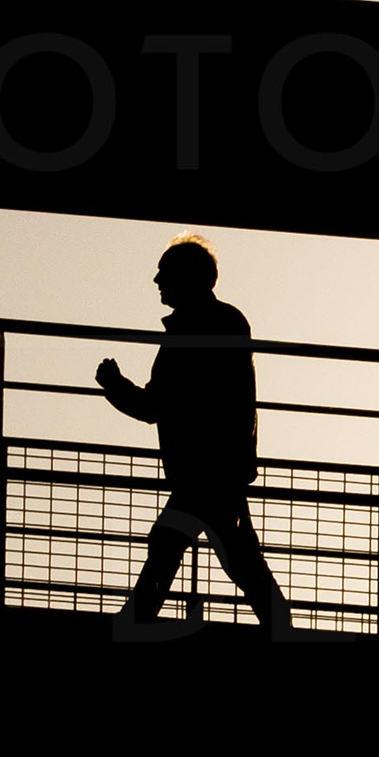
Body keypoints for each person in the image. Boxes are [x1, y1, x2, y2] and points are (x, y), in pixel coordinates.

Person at [95, 237, 298, 639]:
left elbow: (156, 406)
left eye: (165, 272)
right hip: (219, 466)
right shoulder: (224, 323)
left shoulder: (192, 329)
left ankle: (131, 626)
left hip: (203, 469)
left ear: (186, 278)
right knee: (231, 557)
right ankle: (280, 628)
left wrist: (114, 385)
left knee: (175, 548)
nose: (157, 280)